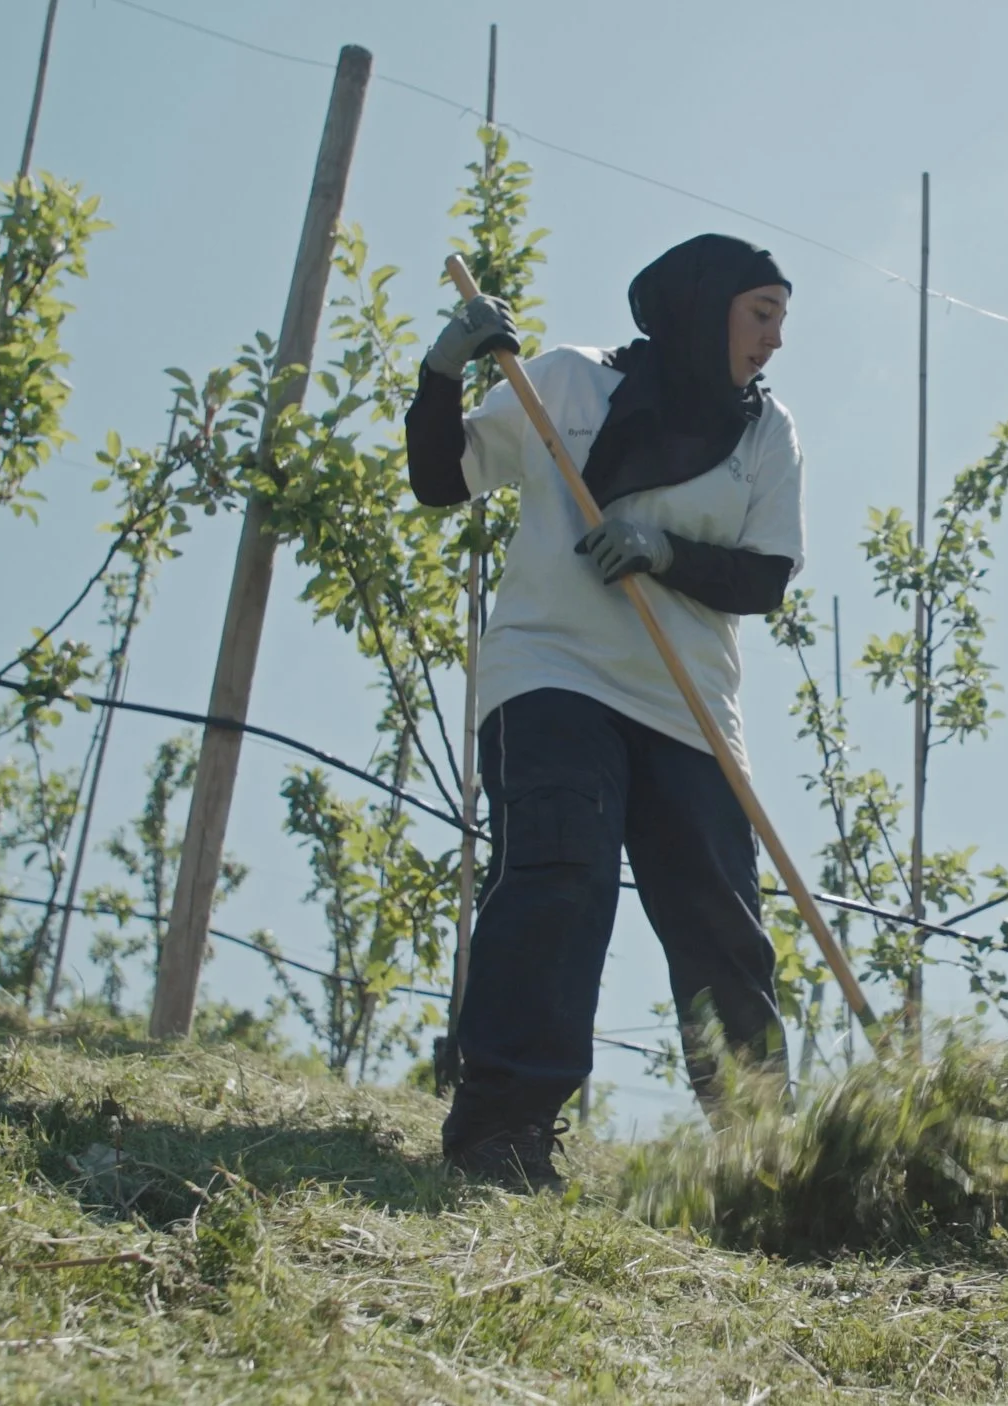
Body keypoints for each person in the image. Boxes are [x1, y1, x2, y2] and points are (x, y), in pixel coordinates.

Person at [404, 233, 801, 1190]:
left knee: (720, 924)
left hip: (689, 707)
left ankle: (765, 1159)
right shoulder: (567, 385)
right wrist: (441, 369)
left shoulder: (765, 433)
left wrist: (662, 549)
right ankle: (503, 1132)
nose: (776, 339)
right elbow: (439, 480)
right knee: (559, 875)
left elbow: (766, 577)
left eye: (783, 319)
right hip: (552, 673)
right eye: (762, 313)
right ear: (706, 306)